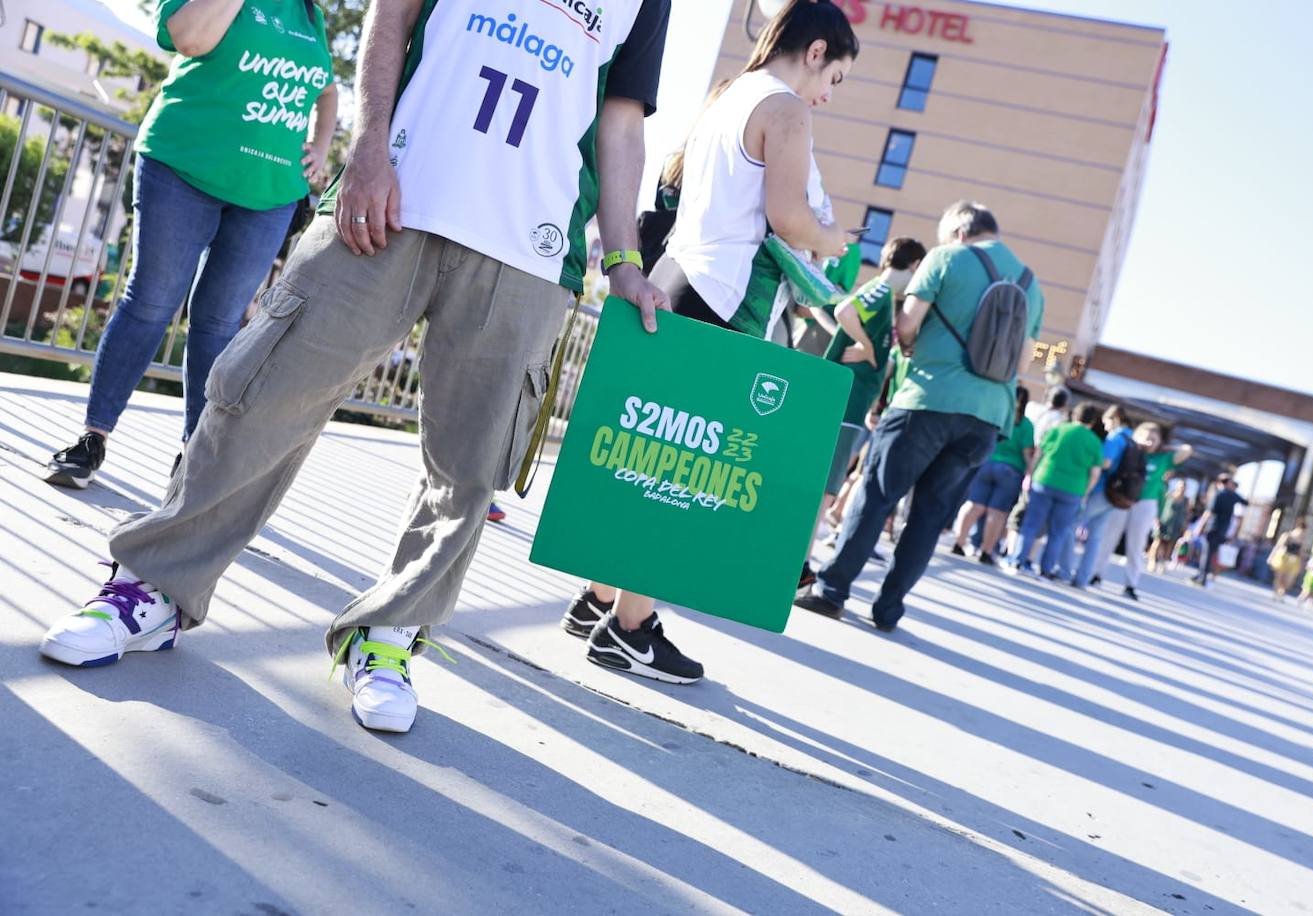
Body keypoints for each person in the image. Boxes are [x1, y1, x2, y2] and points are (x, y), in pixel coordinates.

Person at [40, 0, 674, 735]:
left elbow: (623, 124)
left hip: (527, 250)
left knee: (469, 466)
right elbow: (391, 14)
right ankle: (154, 586)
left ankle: (388, 636)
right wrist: (369, 144)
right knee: (266, 389)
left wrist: (625, 260)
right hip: (394, 196)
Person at [562, 0, 860, 677]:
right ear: (816, 52)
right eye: (835, 77)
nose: (827, 95)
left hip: (676, 278)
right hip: (723, 298)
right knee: (679, 476)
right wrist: (832, 238)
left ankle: (598, 597)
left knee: (647, 457)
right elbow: (787, 219)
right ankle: (629, 628)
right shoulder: (786, 109)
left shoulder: (729, 95)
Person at [44, 0, 338, 489]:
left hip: (268, 193)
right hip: (183, 169)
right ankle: (92, 438)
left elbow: (326, 88)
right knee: (151, 302)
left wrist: (322, 144)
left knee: (221, 324)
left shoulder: (308, 12)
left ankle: (192, 461)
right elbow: (190, 38)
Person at [794, 199, 1045, 630]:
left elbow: (907, 326)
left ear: (960, 233)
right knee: (931, 513)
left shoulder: (946, 259)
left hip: (927, 399)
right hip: (988, 416)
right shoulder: (1030, 284)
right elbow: (1022, 366)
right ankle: (888, 608)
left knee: (876, 496)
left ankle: (832, 591)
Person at [804, 237, 925, 561]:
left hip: (851, 400)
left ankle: (797, 556)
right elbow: (844, 311)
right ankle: (798, 559)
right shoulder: (881, 290)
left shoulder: (883, 296)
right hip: (847, 401)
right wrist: (866, 347)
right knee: (826, 487)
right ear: (914, 266)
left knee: (827, 484)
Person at [1010, 403, 1105, 579]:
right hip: (1073, 488)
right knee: (1058, 532)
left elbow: (1039, 454)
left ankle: (1017, 561)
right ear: (1092, 421)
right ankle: (1046, 570)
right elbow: (1095, 473)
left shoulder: (1058, 429)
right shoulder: (1094, 442)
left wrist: (1030, 473)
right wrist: (1085, 491)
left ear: (1074, 415)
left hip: (1045, 480)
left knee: (1031, 524)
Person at [951, 385, 1033, 564]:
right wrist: (1030, 472)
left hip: (986, 462)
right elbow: (1028, 453)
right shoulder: (1025, 425)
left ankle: (959, 542)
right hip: (1010, 470)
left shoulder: (998, 414)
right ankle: (986, 552)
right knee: (997, 512)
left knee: (974, 505)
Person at [1117, 423, 1192, 599]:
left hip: (1146, 502)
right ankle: (1095, 574)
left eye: (1153, 438)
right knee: (1108, 536)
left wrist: (1166, 447)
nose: (1149, 442)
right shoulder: (1131, 450)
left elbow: (1187, 450)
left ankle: (1130, 584)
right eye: (1146, 437)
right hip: (1121, 497)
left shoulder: (1162, 458)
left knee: (1137, 543)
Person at [1069, 405, 1134, 588]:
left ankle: (1064, 568)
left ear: (1114, 419)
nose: (1104, 425)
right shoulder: (1131, 437)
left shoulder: (1115, 438)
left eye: (1106, 421)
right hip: (1117, 494)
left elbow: (1105, 463)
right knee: (1096, 537)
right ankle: (1083, 578)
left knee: (1072, 524)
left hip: (1102, 489)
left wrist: (1090, 462)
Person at [1192, 474, 1248, 587]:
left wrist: (1200, 526)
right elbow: (1246, 503)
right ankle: (1202, 575)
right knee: (1212, 553)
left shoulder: (1219, 494)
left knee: (1206, 553)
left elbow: (1209, 512)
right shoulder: (1234, 495)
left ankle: (1202, 577)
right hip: (1224, 530)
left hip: (1212, 527)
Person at [1151, 478, 1190, 572]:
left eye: (1183, 487)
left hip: (1176, 525)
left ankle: (1162, 563)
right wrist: (1156, 519)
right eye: (1180, 486)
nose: (1182, 488)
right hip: (1164, 522)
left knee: (1170, 545)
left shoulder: (1186, 500)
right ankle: (1152, 561)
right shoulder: (1169, 495)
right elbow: (1160, 507)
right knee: (1157, 542)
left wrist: (1185, 528)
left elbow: (1187, 514)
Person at [1268, 523, 1307, 600]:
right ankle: (1276, 593)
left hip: (1294, 560)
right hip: (1283, 557)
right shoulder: (1287, 535)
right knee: (1279, 577)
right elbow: (1278, 546)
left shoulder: (1302, 540)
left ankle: (1282, 593)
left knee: (1288, 580)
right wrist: (1271, 556)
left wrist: (1303, 563)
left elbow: (1302, 552)